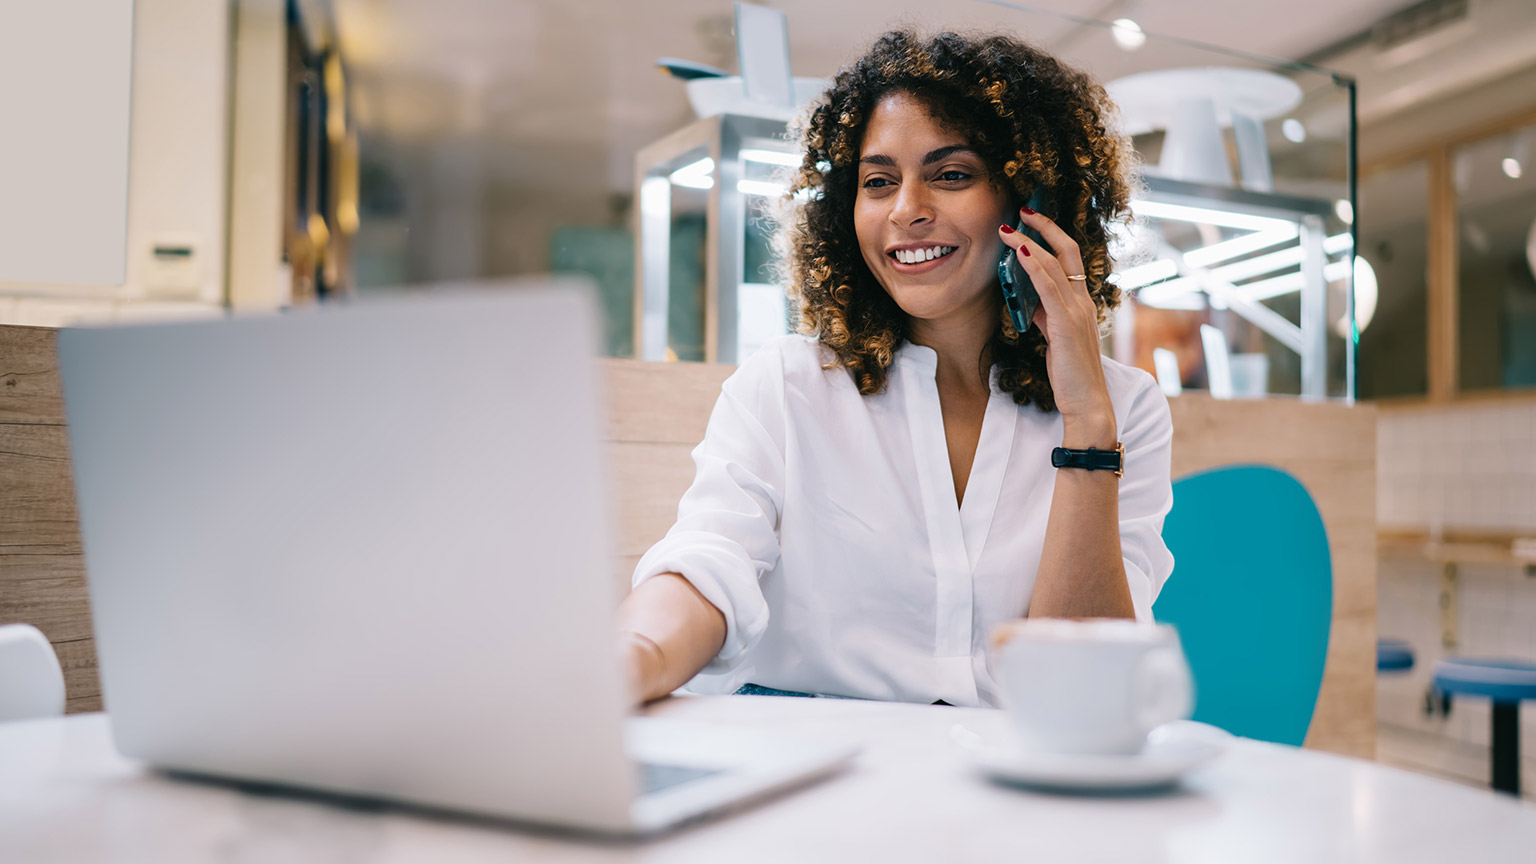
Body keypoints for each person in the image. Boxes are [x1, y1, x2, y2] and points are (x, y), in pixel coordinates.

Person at [617, 30, 1173, 708]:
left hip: (1012, 790)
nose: (906, 209)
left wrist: (1086, 422)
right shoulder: (789, 385)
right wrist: (630, 659)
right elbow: (709, 565)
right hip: (813, 782)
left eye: (951, 174)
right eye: (878, 182)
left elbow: (1083, 691)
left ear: (1031, 204)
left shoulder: (1122, 409)